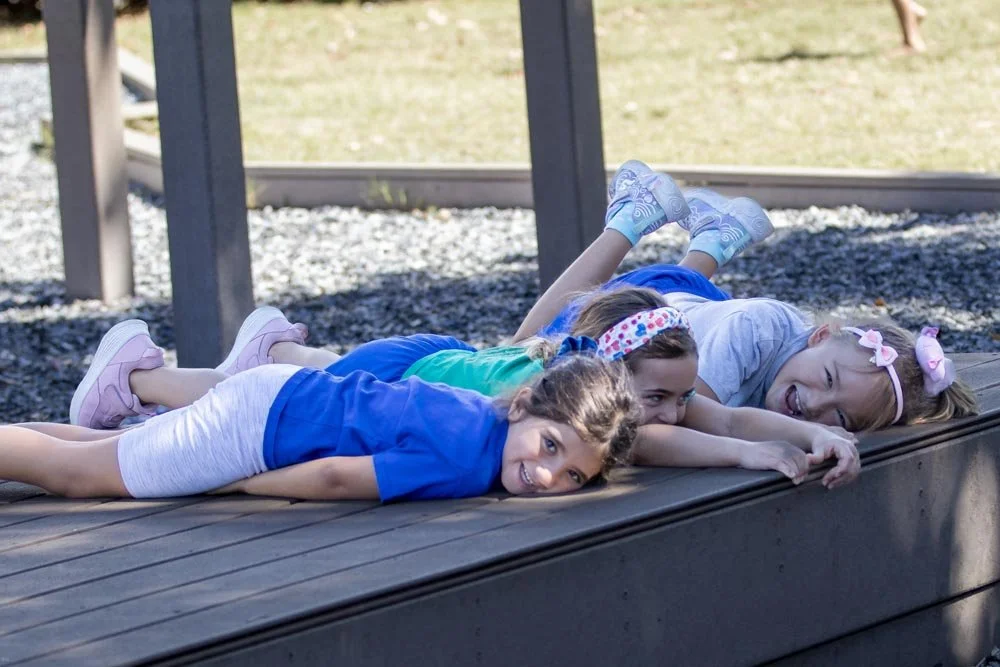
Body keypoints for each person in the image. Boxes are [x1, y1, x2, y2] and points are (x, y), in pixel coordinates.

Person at [73, 286, 862, 489]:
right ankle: (138, 372)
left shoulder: (609, 387)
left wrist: (812, 434)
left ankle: (269, 346)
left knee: (271, 386)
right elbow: (663, 439)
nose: (672, 412)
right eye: (657, 398)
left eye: (675, 398)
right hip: (407, 371)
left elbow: (720, 414)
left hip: (436, 364)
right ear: (612, 378)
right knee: (239, 397)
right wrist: (747, 457)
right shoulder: (565, 396)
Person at [520, 159, 979, 435]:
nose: (815, 405)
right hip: (640, 307)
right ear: (820, 335)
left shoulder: (783, 349)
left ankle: (718, 236)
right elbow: (680, 418)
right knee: (523, 348)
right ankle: (631, 215)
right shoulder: (755, 332)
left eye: (840, 417)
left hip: (696, 302)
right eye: (827, 379)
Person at [9, 320, 639, 501]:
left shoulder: (479, 413)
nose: (548, 475)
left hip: (279, 395)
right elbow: (337, 476)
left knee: (99, 453)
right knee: (79, 477)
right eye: (550, 446)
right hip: (254, 434)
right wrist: (239, 484)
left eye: (573, 475)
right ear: (523, 405)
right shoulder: (462, 459)